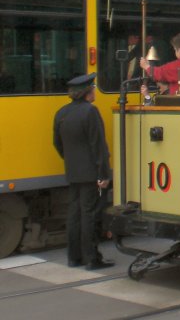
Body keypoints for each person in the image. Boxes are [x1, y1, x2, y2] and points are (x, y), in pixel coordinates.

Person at [53, 73, 114, 270]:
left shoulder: (61, 113)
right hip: (91, 174)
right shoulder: (90, 112)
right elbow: (98, 146)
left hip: (73, 172)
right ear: (88, 92)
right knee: (90, 215)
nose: (95, 92)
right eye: (94, 89)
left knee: (74, 214)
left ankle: (74, 257)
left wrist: (71, 161)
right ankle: (92, 258)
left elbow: (57, 143)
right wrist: (103, 174)